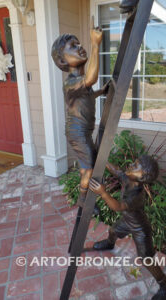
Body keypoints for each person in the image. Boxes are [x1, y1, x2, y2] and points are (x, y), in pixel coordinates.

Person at [89, 155, 166, 300]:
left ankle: (164, 285)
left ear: (143, 177)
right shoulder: (128, 178)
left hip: (140, 229)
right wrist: (103, 159)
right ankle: (110, 242)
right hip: (127, 221)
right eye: (134, 162)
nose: (131, 165)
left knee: (146, 258)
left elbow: (118, 207)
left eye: (136, 166)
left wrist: (103, 193)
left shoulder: (136, 196)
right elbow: (116, 170)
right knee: (113, 230)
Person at [51, 17, 109, 206]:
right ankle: (84, 203)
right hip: (77, 132)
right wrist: (94, 44)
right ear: (62, 60)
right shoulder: (70, 83)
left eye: (79, 43)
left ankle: (84, 201)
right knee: (90, 168)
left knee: (88, 167)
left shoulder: (80, 83)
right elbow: (91, 79)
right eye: (73, 46)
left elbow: (89, 96)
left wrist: (102, 91)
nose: (79, 47)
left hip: (82, 132)